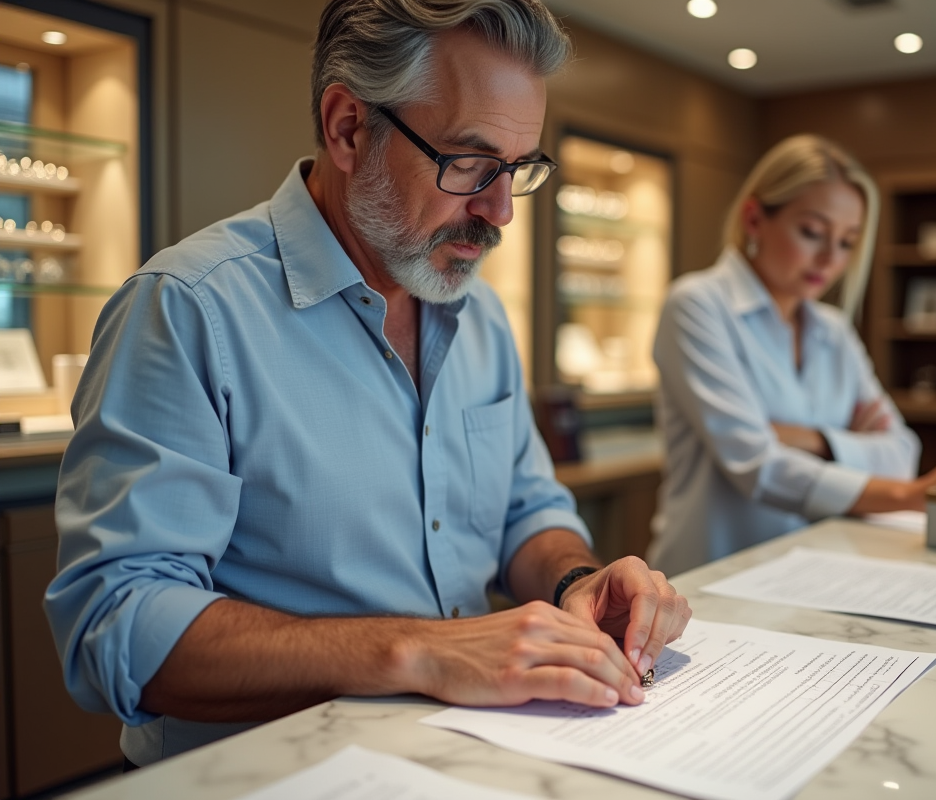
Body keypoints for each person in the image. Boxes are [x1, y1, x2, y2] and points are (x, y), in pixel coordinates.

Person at [44, 0, 690, 768]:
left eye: (516, 172)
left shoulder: (475, 314)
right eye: (470, 165)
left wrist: (574, 579)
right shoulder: (188, 309)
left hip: (462, 758)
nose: (497, 214)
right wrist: (423, 651)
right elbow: (116, 628)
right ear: (349, 127)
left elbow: (526, 509)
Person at [648, 135, 936, 577]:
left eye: (848, 242)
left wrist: (817, 440)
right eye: (812, 232)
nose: (831, 259)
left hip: (813, 567)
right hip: (712, 574)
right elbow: (756, 465)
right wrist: (907, 495)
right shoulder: (697, 305)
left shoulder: (833, 330)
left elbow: (900, 451)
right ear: (755, 219)